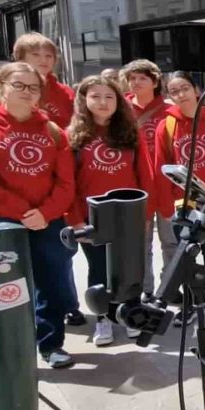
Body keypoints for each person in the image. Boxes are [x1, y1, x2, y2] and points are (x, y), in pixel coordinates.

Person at [0, 62, 77, 368]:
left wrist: (46, 213)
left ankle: (51, 344)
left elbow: (66, 183)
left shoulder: (53, 131)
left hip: (47, 222)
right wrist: (22, 212)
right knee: (5, 289)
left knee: (52, 284)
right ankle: (11, 349)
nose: (27, 92)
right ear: (1, 88)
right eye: (19, 85)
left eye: (33, 87)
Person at [65, 76, 155, 346]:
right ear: (84, 100)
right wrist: (75, 220)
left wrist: (146, 214)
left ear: (118, 101)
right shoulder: (73, 136)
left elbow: (145, 175)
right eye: (96, 96)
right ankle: (103, 319)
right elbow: (67, 182)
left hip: (128, 215)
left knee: (130, 270)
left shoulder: (130, 132)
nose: (103, 102)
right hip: (92, 218)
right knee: (99, 270)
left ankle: (131, 315)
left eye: (109, 97)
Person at [154, 71, 205, 323]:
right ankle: (189, 303)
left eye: (185, 88)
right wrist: (166, 204)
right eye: (174, 91)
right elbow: (161, 166)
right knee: (185, 254)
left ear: (197, 89)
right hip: (182, 204)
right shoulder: (165, 126)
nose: (181, 95)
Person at [121, 59, 174, 299]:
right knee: (141, 245)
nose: (136, 82)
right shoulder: (121, 110)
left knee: (171, 242)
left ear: (154, 81)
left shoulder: (169, 109)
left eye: (142, 78)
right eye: (132, 78)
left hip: (166, 187)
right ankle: (146, 289)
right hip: (135, 186)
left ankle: (170, 287)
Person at [0, 33, 75, 130]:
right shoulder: (3, 87)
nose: (43, 60)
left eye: (49, 56)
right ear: (21, 59)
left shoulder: (66, 93)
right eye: (36, 55)